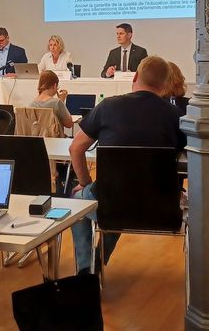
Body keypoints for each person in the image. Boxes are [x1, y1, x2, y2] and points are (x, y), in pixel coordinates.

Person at [70, 56, 185, 274]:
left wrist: (84, 183)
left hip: (112, 205)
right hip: (162, 209)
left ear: (135, 76)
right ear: (165, 85)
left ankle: (87, 271)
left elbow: (76, 148)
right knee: (120, 198)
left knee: (80, 201)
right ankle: (97, 262)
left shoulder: (107, 106)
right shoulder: (176, 116)